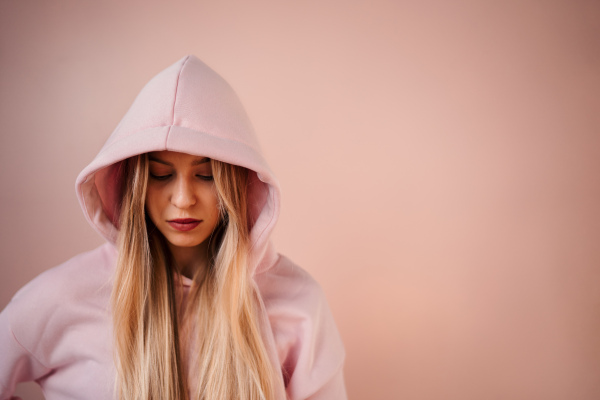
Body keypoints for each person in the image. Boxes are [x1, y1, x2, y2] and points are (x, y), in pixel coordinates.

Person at [0, 55, 347, 400]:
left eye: (206, 175)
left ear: (238, 182)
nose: (183, 198)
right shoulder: (64, 296)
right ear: (133, 182)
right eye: (161, 174)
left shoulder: (299, 303)